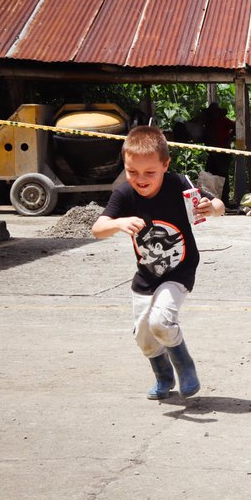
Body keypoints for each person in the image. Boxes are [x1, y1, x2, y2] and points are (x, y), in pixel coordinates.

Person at [92, 125, 225, 400]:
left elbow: (219, 207)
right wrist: (118, 222)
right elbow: (98, 228)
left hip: (180, 270)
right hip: (146, 276)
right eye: (132, 172)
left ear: (165, 165)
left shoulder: (179, 184)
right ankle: (163, 377)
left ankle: (185, 366)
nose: (141, 179)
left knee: (161, 321)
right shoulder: (124, 194)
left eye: (149, 172)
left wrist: (211, 208)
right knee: (143, 336)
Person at [195, 102, 235, 202]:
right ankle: (211, 199)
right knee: (210, 174)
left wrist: (229, 137)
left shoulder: (224, 121)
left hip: (223, 152)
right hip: (212, 153)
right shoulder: (208, 122)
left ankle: (224, 201)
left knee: (222, 176)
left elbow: (236, 126)